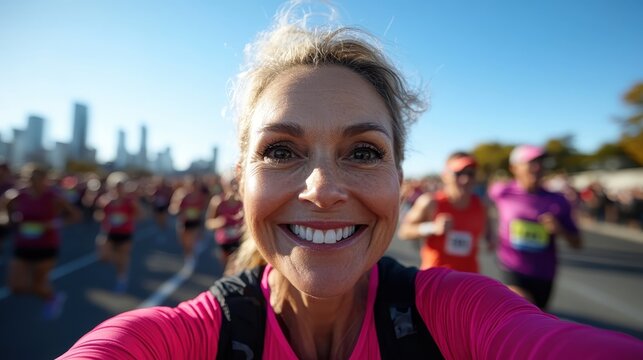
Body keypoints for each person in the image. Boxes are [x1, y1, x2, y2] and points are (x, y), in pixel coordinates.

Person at [58, 4, 643, 359]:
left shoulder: (463, 315)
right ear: (241, 182)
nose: (322, 188)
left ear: (397, 177)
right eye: (281, 150)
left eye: (363, 151)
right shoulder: (185, 339)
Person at [488, 144, 583, 310]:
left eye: (541, 162)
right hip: (512, 267)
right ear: (514, 167)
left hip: (544, 273)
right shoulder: (502, 192)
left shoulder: (559, 200)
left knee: (536, 319)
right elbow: (483, 209)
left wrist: (559, 229)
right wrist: (488, 233)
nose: (538, 167)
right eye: (531, 162)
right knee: (519, 309)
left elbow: (577, 243)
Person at [6, 164, 81, 320]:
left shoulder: (54, 196)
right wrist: (12, 219)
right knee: (15, 287)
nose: (34, 182)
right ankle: (48, 294)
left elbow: (75, 215)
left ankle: (52, 298)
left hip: (46, 246)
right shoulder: (17, 195)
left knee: (38, 285)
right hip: (23, 245)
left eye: (38, 179)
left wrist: (54, 224)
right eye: (31, 179)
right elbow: (5, 208)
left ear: (45, 180)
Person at [397, 152, 488, 272]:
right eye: (459, 173)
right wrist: (432, 227)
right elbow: (404, 231)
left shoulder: (482, 205)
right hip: (436, 279)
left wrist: (493, 239)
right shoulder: (430, 202)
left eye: (470, 174)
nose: (465, 179)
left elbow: (488, 235)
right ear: (445, 175)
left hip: (470, 279)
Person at [94, 172, 140, 293]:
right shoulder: (106, 200)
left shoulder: (130, 201)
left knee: (122, 259)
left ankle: (121, 279)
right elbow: (100, 214)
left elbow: (140, 214)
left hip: (125, 233)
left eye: (120, 186)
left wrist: (127, 217)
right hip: (109, 232)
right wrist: (101, 217)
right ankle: (117, 263)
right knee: (104, 257)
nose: (118, 189)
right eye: (116, 186)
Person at [204, 174, 244, 269]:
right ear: (224, 185)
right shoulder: (217, 201)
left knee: (237, 268)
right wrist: (219, 222)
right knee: (227, 268)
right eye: (231, 184)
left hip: (240, 240)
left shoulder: (244, 202)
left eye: (236, 183)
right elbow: (208, 223)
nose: (234, 187)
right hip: (224, 241)